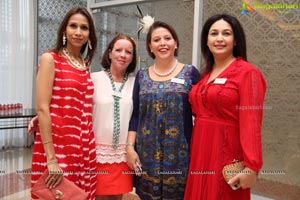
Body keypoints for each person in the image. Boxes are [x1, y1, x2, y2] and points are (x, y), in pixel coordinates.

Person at [184, 13, 266, 200]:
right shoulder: (205, 75)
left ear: (236, 40)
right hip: (200, 150)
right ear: (206, 40)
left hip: (226, 151)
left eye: (226, 33)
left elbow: (251, 123)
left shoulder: (247, 73)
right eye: (214, 33)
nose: (219, 38)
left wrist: (252, 166)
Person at [126, 21, 200, 199]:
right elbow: (136, 115)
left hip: (180, 156)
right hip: (146, 154)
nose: (162, 43)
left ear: (176, 43)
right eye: (156, 40)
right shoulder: (142, 76)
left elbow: (202, 113)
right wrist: (129, 148)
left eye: (167, 38)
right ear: (150, 47)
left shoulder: (190, 73)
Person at [30, 7, 98, 199]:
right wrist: (51, 159)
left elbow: (74, 102)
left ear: (89, 35)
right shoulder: (50, 59)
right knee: (58, 194)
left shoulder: (84, 65)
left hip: (84, 145)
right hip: (58, 145)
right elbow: (42, 107)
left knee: (80, 194)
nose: (78, 32)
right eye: (73, 26)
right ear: (64, 30)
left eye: (84, 28)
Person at [91, 34, 137, 200]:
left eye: (128, 52)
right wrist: (41, 115)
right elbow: (77, 107)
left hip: (123, 154)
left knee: (118, 197)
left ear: (133, 57)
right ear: (109, 53)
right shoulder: (94, 79)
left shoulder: (135, 83)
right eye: (118, 50)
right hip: (97, 154)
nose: (123, 55)